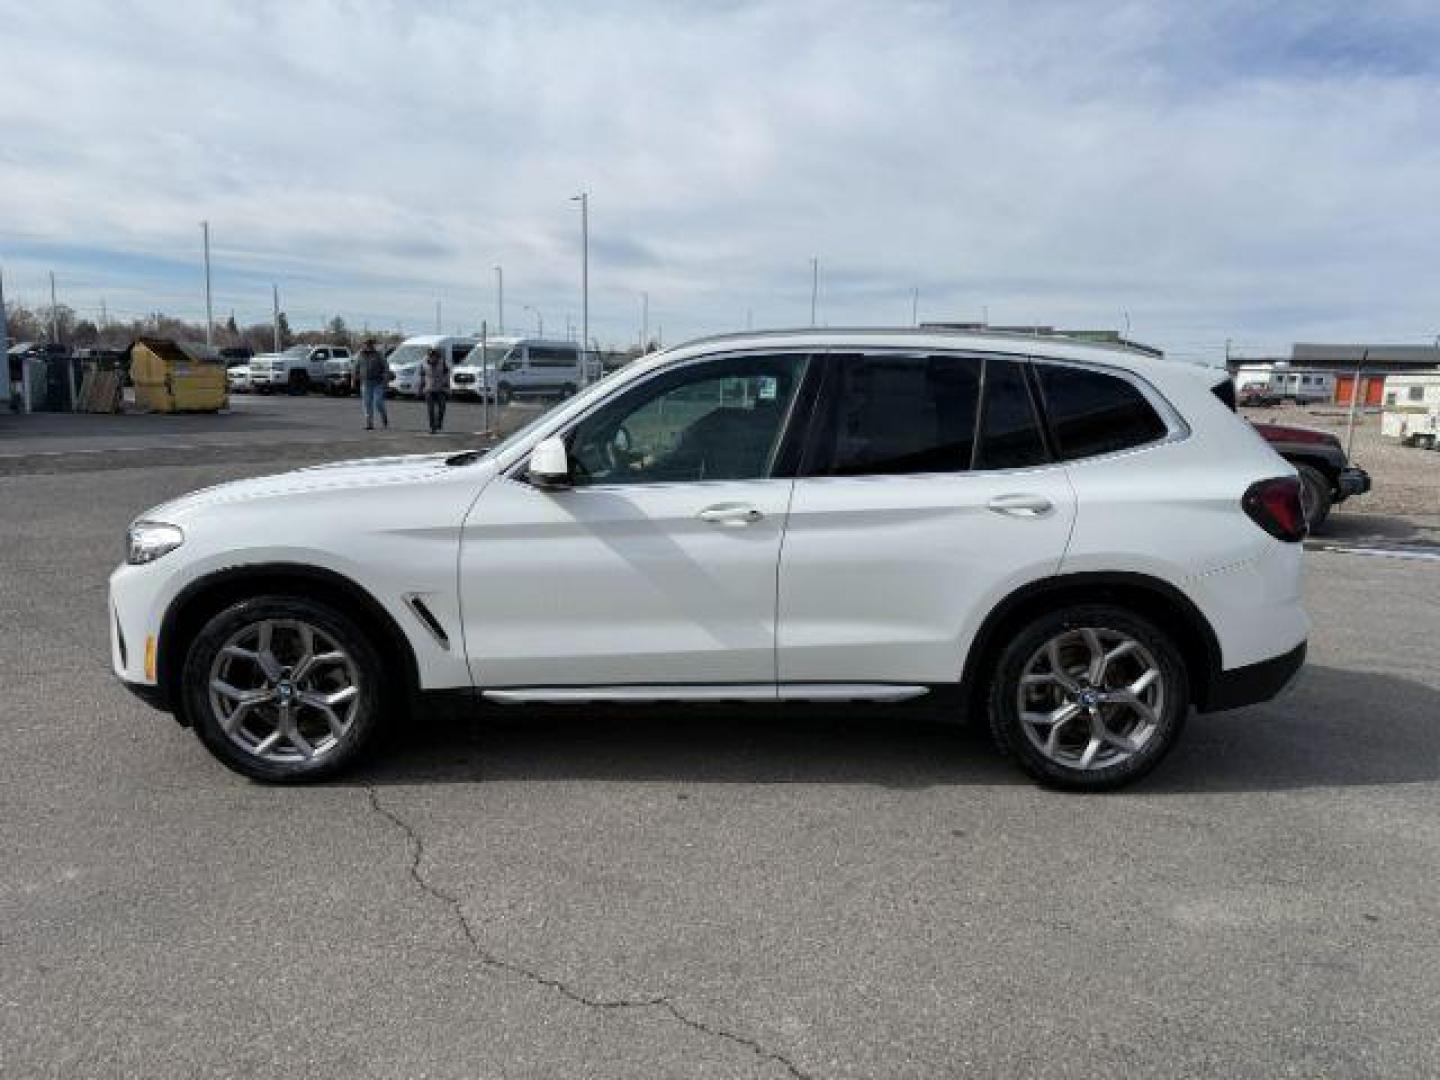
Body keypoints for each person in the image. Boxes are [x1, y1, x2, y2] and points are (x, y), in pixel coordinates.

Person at [353, 338, 388, 430]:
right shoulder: (360, 355)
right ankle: (369, 423)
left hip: (378, 382)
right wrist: (353, 379)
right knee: (367, 404)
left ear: (373, 345)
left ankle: (383, 415)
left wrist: (385, 378)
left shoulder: (379, 354)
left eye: (370, 344)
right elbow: (355, 367)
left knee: (378, 402)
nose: (368, 346)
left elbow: (385, 367)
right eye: (366, 344)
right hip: (365, 382)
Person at [419, 346, 452, 434]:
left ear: (437, 356)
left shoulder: (443, 363)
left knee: (442, 407)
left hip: (441, 389)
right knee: (431, 409)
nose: (432, 358)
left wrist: (447, 387)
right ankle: (432, 427)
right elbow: (422, 376)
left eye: (434, 356)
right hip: (429, 389)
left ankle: (439, 423)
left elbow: (447, 375)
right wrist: (420, 388)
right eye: (430, 356)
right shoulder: (424, 364)